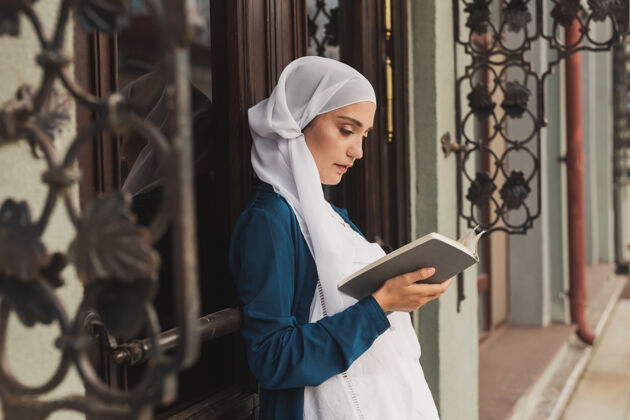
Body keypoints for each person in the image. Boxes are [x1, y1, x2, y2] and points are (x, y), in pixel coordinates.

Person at [229, 56, 450, 419]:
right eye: (347, 130)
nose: (358, 151)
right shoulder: (269, 222)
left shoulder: (328, 218)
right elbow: (272, 358)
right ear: (298, 124)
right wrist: (380, 306)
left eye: (364, 135)